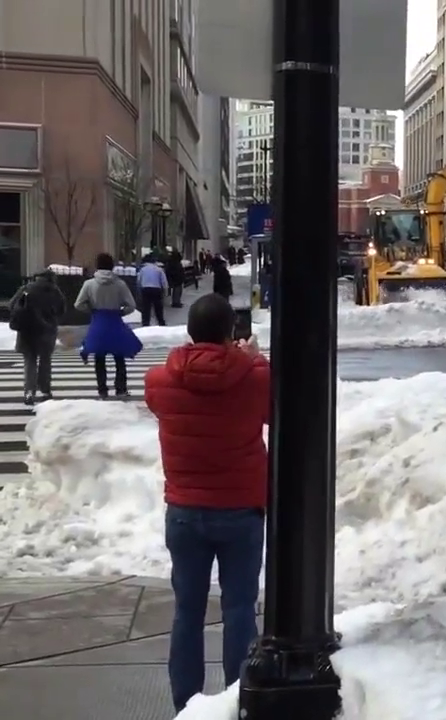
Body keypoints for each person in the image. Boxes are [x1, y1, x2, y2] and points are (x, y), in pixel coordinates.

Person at [144, 293, 270, 714]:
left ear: (190, 332)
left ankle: (186, 704)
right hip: (240, 510)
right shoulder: (253, 378)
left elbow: (163, 404)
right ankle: (238, 697)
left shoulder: (160, 380)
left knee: (187, 611)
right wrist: (255, 359)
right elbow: (276, 407)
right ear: (232, 334)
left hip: (183, 512)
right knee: (239, 610)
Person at [75, 253, 141, 399]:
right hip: (115, 322)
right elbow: (131, 305)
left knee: (99, 358)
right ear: (112, 265)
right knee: (119, 357)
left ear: (97, 265)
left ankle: (102, 390)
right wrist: (121, 312)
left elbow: (78, 304)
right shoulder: (120, 284)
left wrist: (92, 311)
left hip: (98, 322)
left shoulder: (89, 284)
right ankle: (121, 388)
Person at [9, 270, 67, 405]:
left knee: (30, 361)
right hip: (47, 330)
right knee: (45, 360)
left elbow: (12, 304)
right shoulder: (55, 291)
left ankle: (29, 392)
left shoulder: (26, 288)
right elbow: (62, 310)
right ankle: (46, 390)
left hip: (27, 330)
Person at [137, 254, 168, 326]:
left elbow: (139, 281)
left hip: (145, 289)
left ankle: (145, 323)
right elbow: (164, 282)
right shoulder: (159, 269)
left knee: (146, 308)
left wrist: (139, 291)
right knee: (158, 308)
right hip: (156, 290)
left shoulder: (142, 270)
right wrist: (165, 293)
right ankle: (161, 322)